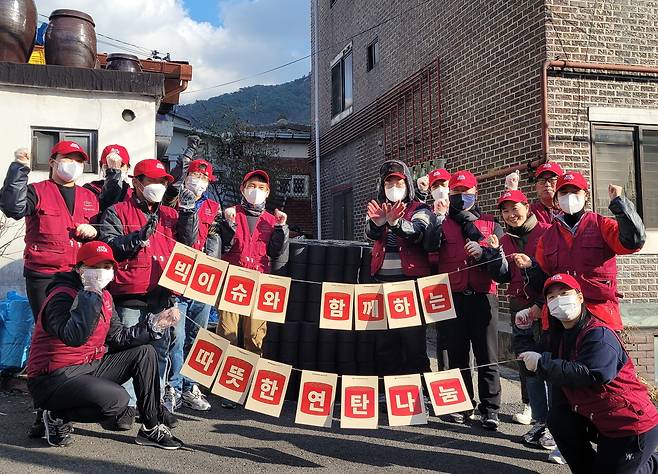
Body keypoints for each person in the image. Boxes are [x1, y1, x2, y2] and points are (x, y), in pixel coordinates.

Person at [27, 241, 183, 449]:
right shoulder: (61, 296)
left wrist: (154, 324)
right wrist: (90, 295)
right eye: (96, 266)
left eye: (108, 267)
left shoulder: (106, 296)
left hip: (88, 366)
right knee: (117, 401)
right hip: (54, 376)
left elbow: (118, 337)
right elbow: (74, 336)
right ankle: (57, 415)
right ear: (79, 269)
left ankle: (150, 427)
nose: (103, 272)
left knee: (145, 352)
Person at [0, 142, 99, 438]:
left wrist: (94, 232)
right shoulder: (36, 190)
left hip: (79, 275)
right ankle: (45, 411)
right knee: (50, 342)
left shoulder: (89, 196)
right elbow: (12, 208)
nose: (72, 164)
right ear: (53, 161)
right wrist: (19, 168)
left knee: (74, 342)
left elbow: (104, 230)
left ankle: (61, 406)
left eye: (78, 160)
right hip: (44, 276)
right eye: (66, 158)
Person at [518, 274, 658, 473]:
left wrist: (542, 364)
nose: (559, 300)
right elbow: (527, 365)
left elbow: (592, 374)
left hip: (629, 424)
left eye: (564, 293)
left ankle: (645, 462)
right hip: (598, 417)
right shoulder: (557, 336)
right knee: (559, 419)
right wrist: (522, 332)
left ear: (580, 297)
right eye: (551, 297)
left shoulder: (598, 334)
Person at [99, 158, 195, 428]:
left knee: (160, 351)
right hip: (128, 293)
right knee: (129, 349)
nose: (158, 186)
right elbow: (109, 246)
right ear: (136, 182)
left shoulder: (170, 214)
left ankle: (155, 406)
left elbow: (188, 243)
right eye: (151, 180)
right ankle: (127, 406)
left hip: (161, 293)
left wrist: (188, 212)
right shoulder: (117, 211)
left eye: (162, 182)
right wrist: (135, 238)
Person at [425, 170, 504, 430]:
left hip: (483, 297)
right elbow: (431, 253)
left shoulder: (491, 224)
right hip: (452, 296)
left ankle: (490, 409)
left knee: (487, 355)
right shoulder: (442, 223)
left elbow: (501, 262)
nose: (461, 198)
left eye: (466, 193)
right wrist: (436, 218)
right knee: (457, 355)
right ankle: (461, 404)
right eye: (456, 193)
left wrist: (487, 250)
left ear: (475, 193)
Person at [484, 190, 558, 450]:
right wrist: (493, 254)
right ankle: (540, 422)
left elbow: (557, 273)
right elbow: (503, 277)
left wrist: (540, 305)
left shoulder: (548, 232)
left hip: (546, 309)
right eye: (505, 211)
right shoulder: (505, 240)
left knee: (549, 366)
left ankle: (555, 427)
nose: (510, 215)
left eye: (515, 208)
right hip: (519, 308)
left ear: (527, 207)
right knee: (529, 366)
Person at [534, 171, 646, 331]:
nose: (569, 196)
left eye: (575, 191)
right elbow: (543, 275)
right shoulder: (547, 237)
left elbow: (633, 242)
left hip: (600, 316)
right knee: (558, 357)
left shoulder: (602, 225)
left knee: (600, 355)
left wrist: (619, 204)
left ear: (586, 195)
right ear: (557, 199)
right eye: (564, 192)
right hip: (560, 319)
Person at [216, 169, 289, 408]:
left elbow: (276, 252)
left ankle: (246, 386)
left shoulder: (271, 220)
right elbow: (222, 245)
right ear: (242, 189)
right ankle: (226, 386)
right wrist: (226, 224)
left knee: (255, 336)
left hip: (259, 283)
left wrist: (280, 228)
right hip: (232, 281)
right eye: (251, 185)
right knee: (227, 332)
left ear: (267, 192)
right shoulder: (229, 214)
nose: (255, 191)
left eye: (261, 187)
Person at [366, 160, 433, 381]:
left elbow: (418, 232)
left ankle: (420, 390)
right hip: (382, 284)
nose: (394, 187)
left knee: (413, 340)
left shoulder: (420, 208)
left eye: (399, 182)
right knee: (385, 340)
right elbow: (370, 235)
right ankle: (389, 390)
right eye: (389, 183)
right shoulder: (377, 207)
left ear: (408, 185)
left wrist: (396, 223)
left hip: (410, 285)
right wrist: (377, 224)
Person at [164, 159, 221, 413]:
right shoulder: (171, 202)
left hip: (203, 281)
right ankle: (173, 386)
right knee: (176, 338)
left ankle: (191, 386)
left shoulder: (214, 208)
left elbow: (216, 241)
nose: (198, 181)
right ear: (186, 177)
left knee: (198, 338)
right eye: (195, 176)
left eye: (204, 178)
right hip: (177, 279)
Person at [417, 167, 451, 370]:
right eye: (435, 186)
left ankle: (452, 378)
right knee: (432, 331)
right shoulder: (426, 212)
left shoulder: (459, 211)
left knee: (452, 335)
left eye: (443, 185)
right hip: (431, 277)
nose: (439, 190)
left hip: (454, 278)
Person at [84, 144, 133, 212]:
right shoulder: (90, 190)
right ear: (101, 167)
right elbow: (106, 205)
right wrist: (113, 174)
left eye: (120, 165)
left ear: (128, 167)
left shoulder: (132, 193)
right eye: (108, 165)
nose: (115, 168)